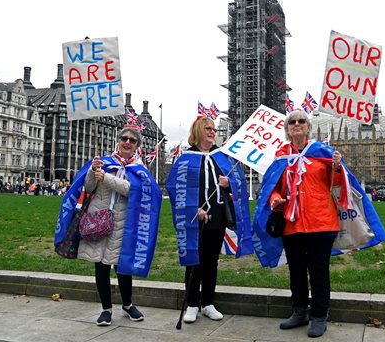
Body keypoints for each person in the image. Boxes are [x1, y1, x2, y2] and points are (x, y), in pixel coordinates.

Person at [254, 109, 365, 338]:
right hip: (292, 224)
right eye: (292, 121)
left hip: (321, 223)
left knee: (318, 272)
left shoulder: (322, 151)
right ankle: (299, 310)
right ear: (287, 128)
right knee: (296, 270)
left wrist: (336, 167)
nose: (297, 124)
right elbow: (273, 187)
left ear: (308, 127)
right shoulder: (281, 154)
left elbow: (336, 184)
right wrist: (276, 200)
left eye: (301, 121)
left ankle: (319, 316)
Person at [55, 126, 162, 326]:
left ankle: (128, 305)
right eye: (124, 138)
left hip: (125, 223)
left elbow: (133, 191)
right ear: (118, 141)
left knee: (123, 268)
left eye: (132, 140)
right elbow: (88, 187)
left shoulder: (140, 169)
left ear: (137, 145)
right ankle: (106, 309)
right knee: (101, 266)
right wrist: (92, 171)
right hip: (99, 221)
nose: (127, 142)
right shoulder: (104, 162)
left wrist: (108, 178)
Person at [165, 116, 253, 325]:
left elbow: (238, 183)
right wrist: (194, 209)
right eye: (208, 129)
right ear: (197, 131)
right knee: (194, 261)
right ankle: (192, 304)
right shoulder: (186, 158)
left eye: (214, 129)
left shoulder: (221, 157)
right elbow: (175, 187)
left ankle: (208, 303)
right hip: (194, 218)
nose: (213, 132)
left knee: (212, 261)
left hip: (218, 217)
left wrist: (228, 183)